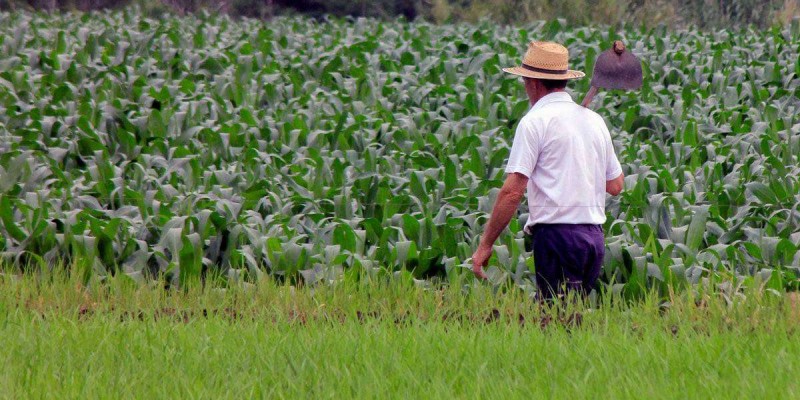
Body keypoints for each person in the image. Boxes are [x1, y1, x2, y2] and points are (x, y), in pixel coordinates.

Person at [471, 41, 625, 300]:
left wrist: (485, 245)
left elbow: (512, 191)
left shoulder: (534, 122)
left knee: (556, 321)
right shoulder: (594, 121)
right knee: (569, 321)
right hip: (593, 240)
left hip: (558, 237)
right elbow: (616, 185)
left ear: (533, 82)